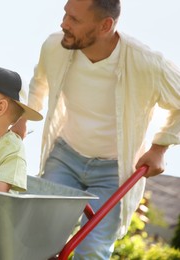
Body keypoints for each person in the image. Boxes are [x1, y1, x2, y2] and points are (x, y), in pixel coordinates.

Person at [11, 0, 180, 259]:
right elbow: (40, 82)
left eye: (74, 20)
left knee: (92, 249)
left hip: (113, 172)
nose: (63, 24)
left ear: (105, 25)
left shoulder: (146, 63)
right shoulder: (54, 47)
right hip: (65, 157)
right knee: (39, 237)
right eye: (65, 14)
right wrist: (23, 119)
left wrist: (160, 147)